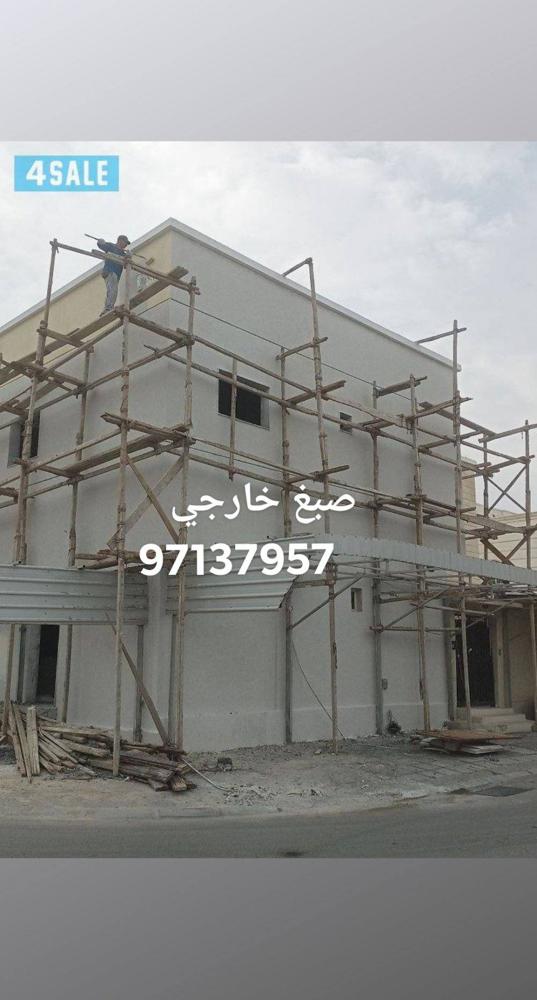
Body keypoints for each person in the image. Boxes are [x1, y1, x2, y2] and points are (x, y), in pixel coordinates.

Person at [96, 235, 131, 315]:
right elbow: (103, 246)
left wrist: (128, 256)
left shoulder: (122, 253)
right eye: (125, 243)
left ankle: (108, 307)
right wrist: (100, 242)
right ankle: (108, 308)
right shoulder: (112, 246)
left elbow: (126, 266)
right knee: (113, 290)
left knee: (112, 290)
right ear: (120, 241)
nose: (126, 245)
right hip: (110, 271)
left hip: (115, 274)